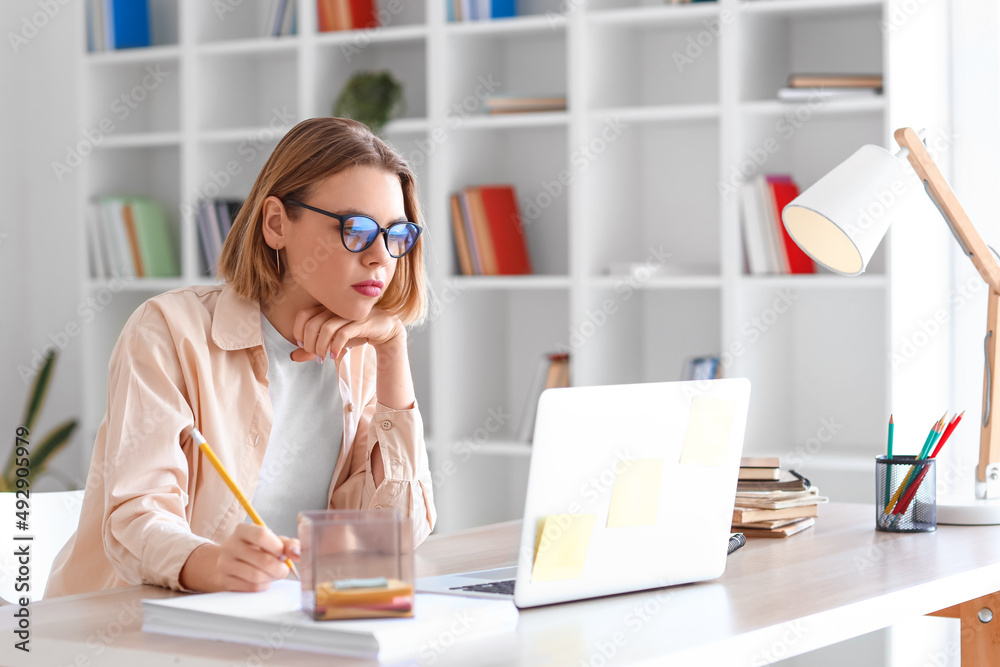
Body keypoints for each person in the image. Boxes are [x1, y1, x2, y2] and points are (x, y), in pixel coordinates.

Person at [46, 117, 436, 597]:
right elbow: (136, 518)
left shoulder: (361, 357)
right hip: (124, 629)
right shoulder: (168, 331)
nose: (381, 257)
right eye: (355, 229)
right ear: (276, 224)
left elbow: (398, 534)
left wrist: (393, 350)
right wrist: (209, 563)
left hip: (273, 624)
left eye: (397, 235)